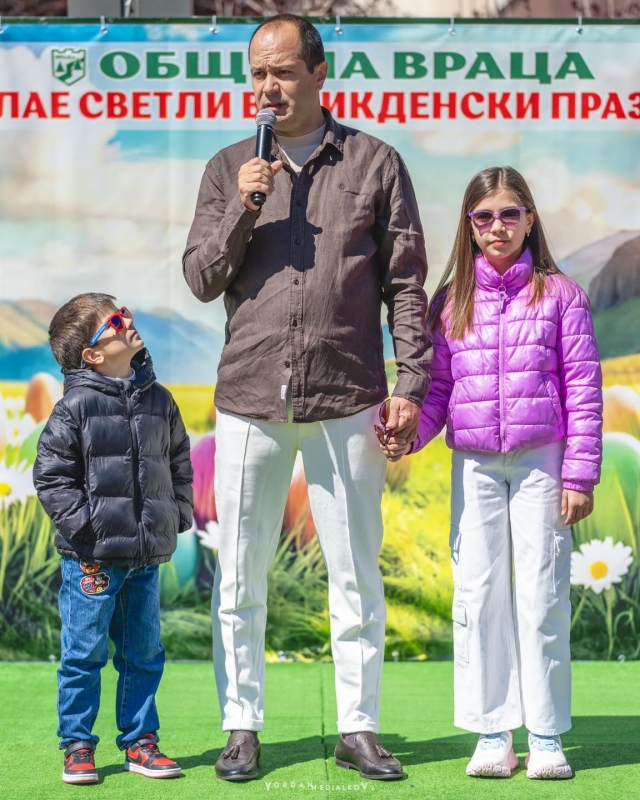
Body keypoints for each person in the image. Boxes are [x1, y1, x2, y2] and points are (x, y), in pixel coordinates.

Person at [183, 13, 429, 782]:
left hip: (347, 395)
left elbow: (406, 286)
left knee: (354, 571)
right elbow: (200, 278)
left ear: (321, 73)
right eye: (257, 73)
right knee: (240, 575)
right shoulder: (229, 168)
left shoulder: (375, 163)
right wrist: (243, 206)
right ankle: (241, 727)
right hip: (249, 398)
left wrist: (412, 383)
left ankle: (358, 728)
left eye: (282, 72)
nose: (268, 87)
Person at [380, 166, 603, 780]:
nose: (497, 226)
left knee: (541, 596)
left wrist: (580, 475)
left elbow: (584, 390)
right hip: (475, 464)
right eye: (484, 216)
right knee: (478, 598)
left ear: (530, 218)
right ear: (470, 225)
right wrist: (410, 434)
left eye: (509, 213)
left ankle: (546, 735)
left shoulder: (562, 296)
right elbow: (439, 391)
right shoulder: (451, 301)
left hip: (542, 461)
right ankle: (492, 733)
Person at [33, 293, 193, 784]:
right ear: (93, 355)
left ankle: (140, 742)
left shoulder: (160, 400)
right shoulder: (74, 408)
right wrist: (89, 530)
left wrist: (179, 512)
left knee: (143, 654)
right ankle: (77, 744)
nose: (128, 321)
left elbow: (179, 459)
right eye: (116, 321)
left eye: (124, 312)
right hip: (92, 562)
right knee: (84, 655)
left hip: (145, 558)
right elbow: (52, 478)